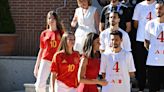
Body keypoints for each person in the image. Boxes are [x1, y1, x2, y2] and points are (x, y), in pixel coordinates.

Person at [33, 10, 64, 92]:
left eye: (53, 18)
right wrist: (36, 66)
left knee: (53, 86)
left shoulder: (61, 33)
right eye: (49, 18)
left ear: (56, 20)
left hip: (57, 61)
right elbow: (41, 50)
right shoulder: (44, 33)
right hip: (45, 60)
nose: (51, 20)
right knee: (39, 85)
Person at [132, 0, 156, 91]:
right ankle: (141, 87)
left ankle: (153, 88)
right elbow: (135, 24)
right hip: (141, 40)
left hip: (155, 41)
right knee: (141, 65)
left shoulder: (158, 5)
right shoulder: (139, 6)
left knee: (153, 66)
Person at [144, 0, 164, 92]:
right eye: (156, 9)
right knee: (153, 89)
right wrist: (154, 52)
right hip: (153, 63)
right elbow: (146, 42)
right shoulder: (150, 24)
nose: (158, 11)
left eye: (160, 8)